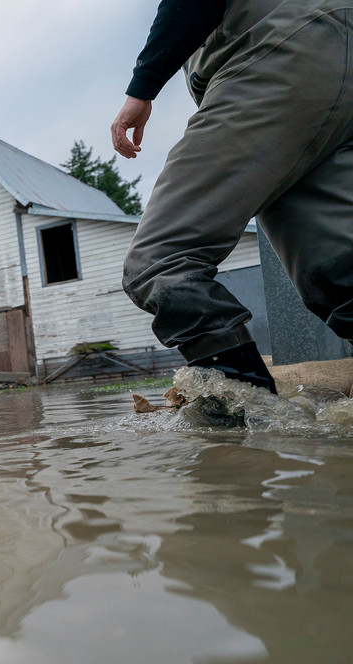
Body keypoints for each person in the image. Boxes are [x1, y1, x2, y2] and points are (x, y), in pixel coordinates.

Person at [113, 0, 353, 393]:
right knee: (339, 273)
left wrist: (142, 88)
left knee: (159, 263)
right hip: (332, 62)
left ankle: (250, 436)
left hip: (279, 53)